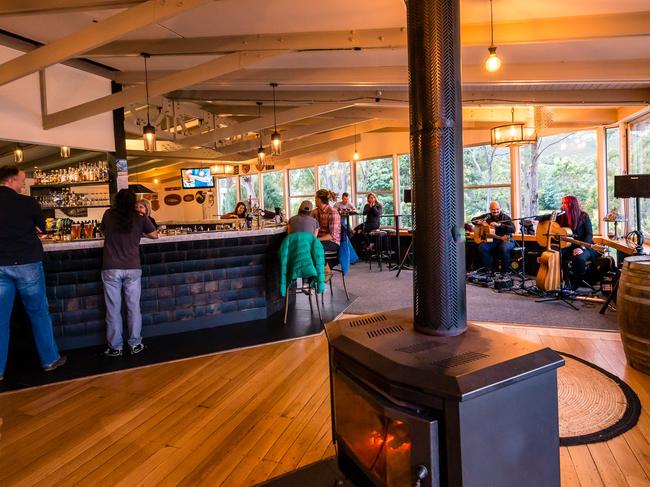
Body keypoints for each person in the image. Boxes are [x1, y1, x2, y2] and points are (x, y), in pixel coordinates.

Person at [0, 165, 66, 380]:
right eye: (21, 180)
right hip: (28, 262)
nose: (22, 184)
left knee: (1, 318)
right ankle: (49, 360)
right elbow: (44, 229)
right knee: (38, 313)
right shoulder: (27, 202)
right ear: (11, 180)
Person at [101, 189, 158, 357]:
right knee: (133, 308)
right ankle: (135, 344)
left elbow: (104, 232)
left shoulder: (109, 214)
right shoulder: (140, 217)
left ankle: (115, 347)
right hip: (132, 267)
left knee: (113, 309)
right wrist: (138, 233)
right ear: (134, 202)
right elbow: (154, 235)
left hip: (111, 267)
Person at [557, 195, 597, 290]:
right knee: (554, 254)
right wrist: (538, 219)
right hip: (569, 247)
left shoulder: (583, 216)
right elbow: (550, 220)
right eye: (562, 203)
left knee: (579, 258)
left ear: (572, 204)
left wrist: (581, 247)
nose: (562, 205)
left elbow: (589, 234)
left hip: (585, 246)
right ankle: (561, 281)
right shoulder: (561, 217)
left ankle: (574, 285)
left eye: (565, 203)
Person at [472, 201, 516, 272]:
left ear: (500, 209)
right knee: (482, 247)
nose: (495, 211)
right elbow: (473, 220)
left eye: (497, 209)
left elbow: (513, 229)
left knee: (503, 248)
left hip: (507, 239)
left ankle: (505, 272)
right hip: (492, 240)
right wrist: (479, 222)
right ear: (490, 209)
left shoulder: (505, 217)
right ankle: (489, 270)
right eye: (493, 209)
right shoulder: (487, 216)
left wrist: (500, 225)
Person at [312, 189, 341, 254]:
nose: (315, 200)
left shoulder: (333, 213)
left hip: (332, 242)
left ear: (320, 200)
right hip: (320, 239)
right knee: (304, 245)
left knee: (314, 247)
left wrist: (315, 239)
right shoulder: (316, 211)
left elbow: (332, 235)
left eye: (316, 198)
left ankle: (323, 264)